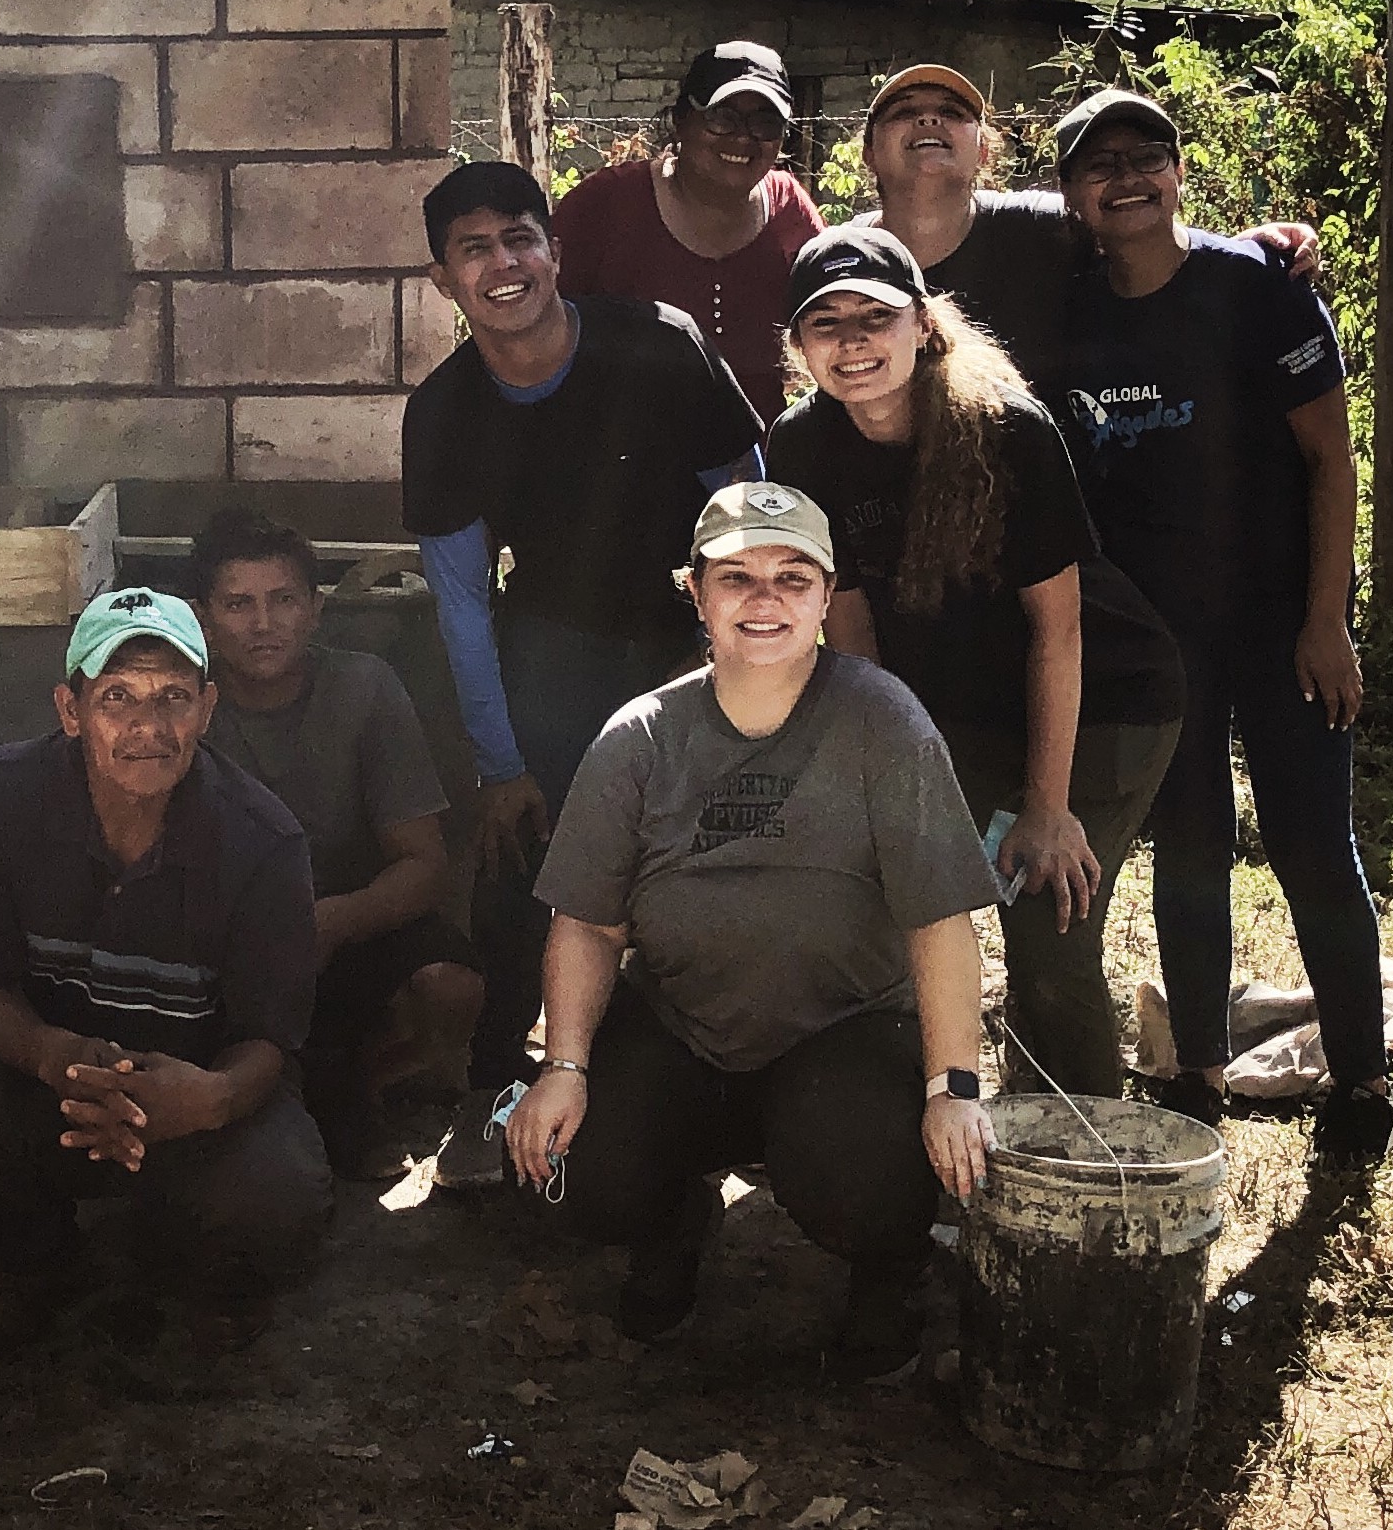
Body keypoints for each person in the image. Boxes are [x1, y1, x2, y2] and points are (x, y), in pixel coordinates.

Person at [499, 482, 1005, 1379]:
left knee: (871, 1175)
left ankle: (888, 1270)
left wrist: (951, 1085)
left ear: (825, 594)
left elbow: (940, 918)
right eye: (736, 577)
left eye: (791, 576)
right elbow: (586, 922)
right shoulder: (639, 737)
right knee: (578, 1167)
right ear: (694, 592)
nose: (764, 600)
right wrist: (563, 1066)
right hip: (684, 1025)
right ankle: (671, 1225)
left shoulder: (886, 724)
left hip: (844, 1032)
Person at [1045, 88, 1393, 1165]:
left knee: (1308, 844)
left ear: (1180, 171)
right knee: (1188, 843)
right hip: (1154, 639)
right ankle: (1196, 1073)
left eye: (1146, 153)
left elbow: (1331, 457)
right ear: (1070, 196)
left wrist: (1326, 618)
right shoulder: (1070, 313)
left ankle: (1361, 1077)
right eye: (1098, 163)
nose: (1126, 176)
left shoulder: (1254, 287)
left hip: (1280, 619)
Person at [401, 160, 767, 1185]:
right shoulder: (443, 413)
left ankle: (720, 1090)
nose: (502, 263)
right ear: (444, 279)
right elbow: (462, 601)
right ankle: (490, 1093)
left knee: (704, 865)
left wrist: (750, 671)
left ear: (554, 250)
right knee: (529, 870)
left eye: (519, 237)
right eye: (473, 249)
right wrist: (499, 759)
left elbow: (745, 513)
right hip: (545, 655)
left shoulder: (657, 344)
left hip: (678, 643)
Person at [765, 226, 1184, 1097]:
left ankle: (1083, 1162)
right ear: (799, 346)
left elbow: (1057, 633)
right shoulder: (802, 446)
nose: (852, 343)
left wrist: (1046, 805)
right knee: (895, 895)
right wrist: (882, 776)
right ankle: (927, 1120)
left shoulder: (1004, 430)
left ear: (922, 324)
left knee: (1046, 919)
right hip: (960, 702)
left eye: (874, 317)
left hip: (1104, 699)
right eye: (825, 323)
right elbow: (850, 628)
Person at [0, 589, 330, 1362]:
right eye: (117, 698)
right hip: (47, 1086)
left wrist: (211, 1099)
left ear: (207, 710)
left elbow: (271, 1034)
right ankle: (38, 1267)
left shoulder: (263, 839)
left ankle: (203, 1287)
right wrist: (45, 1051)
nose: (148, 727)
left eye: (173, 697)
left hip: (189, 1093)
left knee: (279, 1183)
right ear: (71, 711)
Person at [188, 507, 471, 1181]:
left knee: (451, 986)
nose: (263, 624)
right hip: (227, 945)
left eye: (283, 600)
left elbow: (424, 862)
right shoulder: (182, 704)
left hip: (344, 927)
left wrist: (337, 921)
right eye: (238, 604)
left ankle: (371, 1083)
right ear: (202, 619)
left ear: (315, 609)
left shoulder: (365, 689)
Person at [851, 62, 1319, 387]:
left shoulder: (1042, 225)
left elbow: (1141, 228)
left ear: (984, 151)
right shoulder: (846, 262)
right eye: (903, 112)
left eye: (952, 113)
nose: (928, 117)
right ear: (869, 153)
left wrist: (1243, 249)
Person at [550, 39, 826, 409]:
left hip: (756, 459)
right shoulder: (607, 205)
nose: (743, 137)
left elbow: (842, 313)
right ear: (681, 119)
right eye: (721, 118)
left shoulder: (789, 211)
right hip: (621, 457)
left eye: (765, 123)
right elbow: (537, 322)